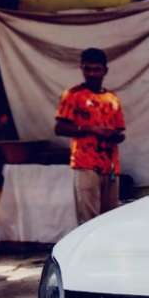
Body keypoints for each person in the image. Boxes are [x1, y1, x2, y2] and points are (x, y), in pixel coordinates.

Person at [54, 48, 126, 224]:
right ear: (82, 69)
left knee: (111, 218)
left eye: (96, 69)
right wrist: (92, 130)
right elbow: (60, 127)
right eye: (88, 69)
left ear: (105, 70)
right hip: (85, 163)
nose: (92, 74)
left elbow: (120, 131)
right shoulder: (73, 95)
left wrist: (113, 135)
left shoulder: (112, 98)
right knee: (89, 219)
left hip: (110, 165)